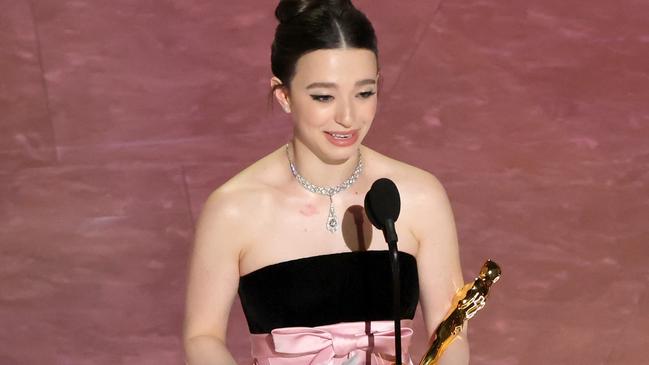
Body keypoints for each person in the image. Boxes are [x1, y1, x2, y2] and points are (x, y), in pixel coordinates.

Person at [183, 0, 469, 364]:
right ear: (283, 95)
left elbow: (451, 333)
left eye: (364, 93)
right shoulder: (234, 208)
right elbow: (202, 336)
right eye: (323, 96)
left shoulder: (419, 197)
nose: (348, 117)